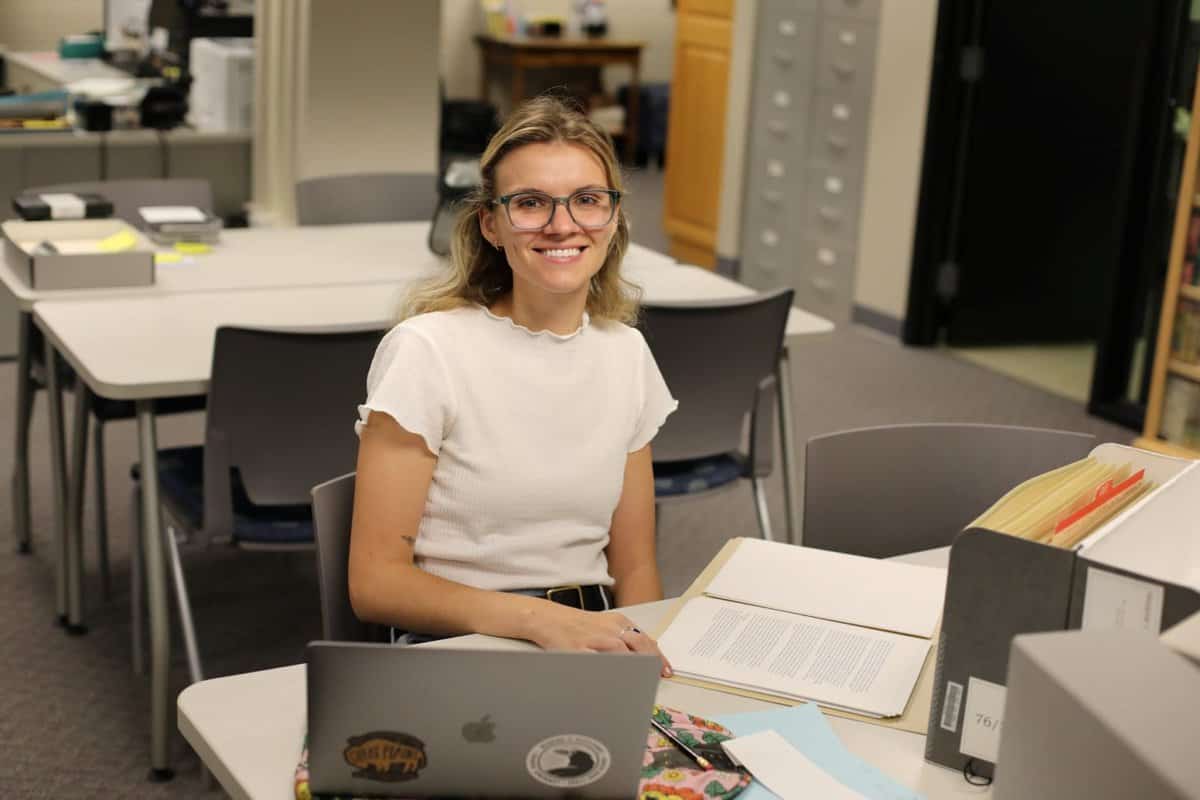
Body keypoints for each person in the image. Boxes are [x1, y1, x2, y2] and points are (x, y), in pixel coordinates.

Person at [349, 95, 677, 676]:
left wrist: (639, 666)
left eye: (587, 201)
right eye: (530, 204)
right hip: (458, 645)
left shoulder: (627, 353)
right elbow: (375, 583)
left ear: (614, 217)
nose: (562, 225)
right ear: (491, 225)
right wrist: (540, 622)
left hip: (592, 641)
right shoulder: (428, 350)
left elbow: (635, 571)